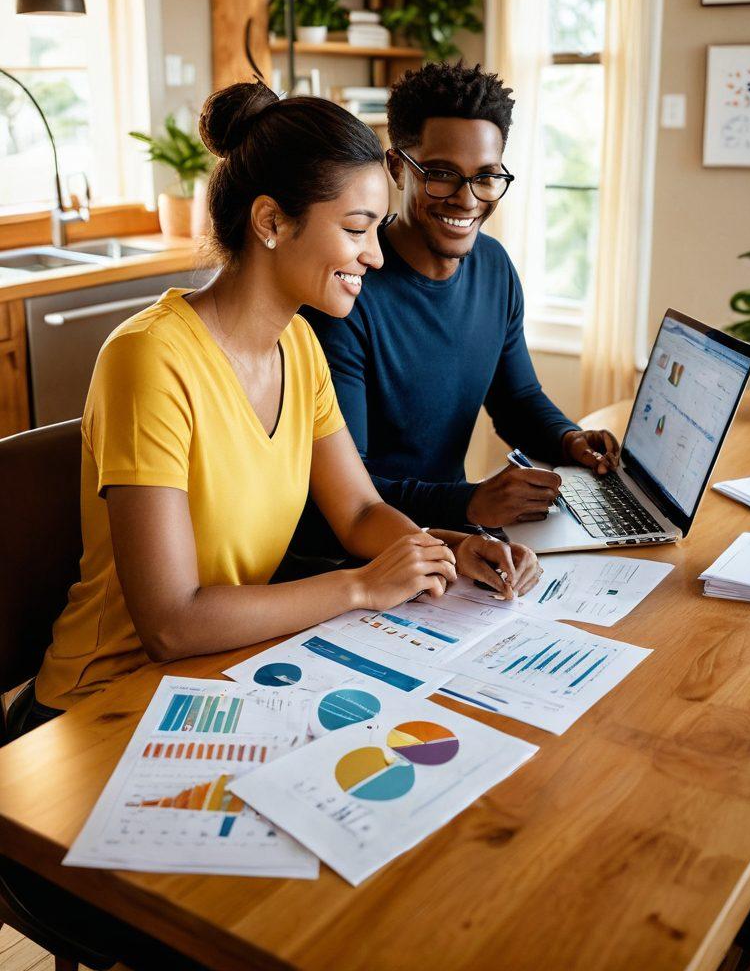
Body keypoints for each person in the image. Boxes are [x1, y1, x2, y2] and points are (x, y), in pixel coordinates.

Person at [8, 81, 540, 740]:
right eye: (355, 229)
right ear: (270, 221)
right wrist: (362, 588)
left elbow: (359, 511)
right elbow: (172, 623)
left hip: (221, 679)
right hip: (100, 707)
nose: (375, 255)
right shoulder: (149, 359)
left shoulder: (297, 344)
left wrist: (452, 551)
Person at [298, 61, 620, 557]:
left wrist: (568, 440)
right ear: (397, 167)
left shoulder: (494, 267)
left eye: (487, 177)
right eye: (443, 175)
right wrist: (470, 503)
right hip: (356, 557)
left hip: (453, 543)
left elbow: (517, 399)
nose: (467, 199)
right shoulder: (347, 290)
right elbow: (344, 491)